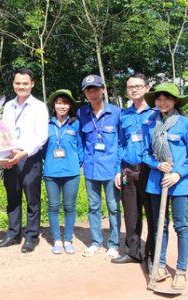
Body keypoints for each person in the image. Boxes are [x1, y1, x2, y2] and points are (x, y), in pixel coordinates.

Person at [142, 83, 188, 290]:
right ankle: (159, 265)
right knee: (160, 227)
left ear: (175, 101)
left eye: (167, 98)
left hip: (178, 185)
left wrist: (177, 173)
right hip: (156, 184)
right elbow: (145, 153)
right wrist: (156, 164)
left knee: (181, 226)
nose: (162, 102)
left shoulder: (186, 124)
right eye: (158, 98)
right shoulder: (150, 123)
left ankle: (181, 270)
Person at [0, 67, 49, 253]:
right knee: (12, 197)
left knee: (32, 199)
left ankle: (31, 236)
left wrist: (24, 153)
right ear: (13, 84)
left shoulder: (39, 106)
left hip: (30, 157)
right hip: (11, 157)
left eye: (25, 83)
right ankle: (12, 233)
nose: (21, 86)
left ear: (32, 84)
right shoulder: (8, 106)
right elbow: (5, 132)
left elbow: (42, 136)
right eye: (18, 83)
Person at [112, 74, 156, 267]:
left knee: (152, 214)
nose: (134, 89)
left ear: (147, 88)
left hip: (150, 171)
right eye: (130, 87)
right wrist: (118, 170)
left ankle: (152, 254)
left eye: (138, 86)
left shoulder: (156, 112)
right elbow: (120, 143)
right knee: (131, 214)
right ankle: (132, 252)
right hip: (128, 171)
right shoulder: (124, 115)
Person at [77, 74, 121, 258]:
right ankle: (96, 242)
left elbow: (121, 143)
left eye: (95, 89)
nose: (92, 93)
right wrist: (82, 161)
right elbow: (80, 140)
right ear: (85, 93)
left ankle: (114, 243)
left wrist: (119, 169)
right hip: (91, 168)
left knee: (113, 207)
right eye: (88, 90)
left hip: (111, 169)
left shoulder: (117, 113)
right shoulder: (82, 113)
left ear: (102, 89)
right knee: (93, 207)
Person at [43, 89, 83, 255]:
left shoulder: (76, 124)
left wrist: (75, 163)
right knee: (53, 206)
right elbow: (42, 148)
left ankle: (68, 239)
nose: (62, 106)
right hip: (51, 173)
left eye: (65, 102)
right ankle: (57, 240)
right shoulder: (47, 124)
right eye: (59, 102)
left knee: (69, 207)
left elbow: (81, 147)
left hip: (71, 172)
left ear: (70, 105)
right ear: (54, 105)